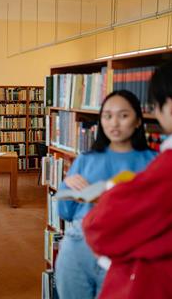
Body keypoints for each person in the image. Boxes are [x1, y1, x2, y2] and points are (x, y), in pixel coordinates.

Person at [83, 54, 172, 298]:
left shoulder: (169, 168)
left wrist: (112, 191)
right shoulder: (88, 158)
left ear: (170, 106)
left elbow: (102, 228)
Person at [55, 90, 157, 299]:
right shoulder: (85, 158)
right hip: (78, 247)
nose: (114, 123)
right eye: (107, 116)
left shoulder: (154, 161)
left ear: (138, 121)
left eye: (123, 115)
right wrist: (66, 185)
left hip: (126, 253)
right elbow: (64, 213)